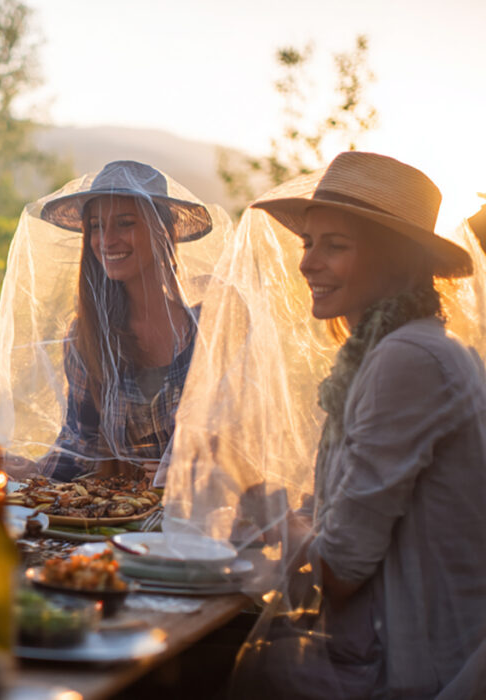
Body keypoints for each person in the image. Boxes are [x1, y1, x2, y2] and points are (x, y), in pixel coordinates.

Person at [186, 152, 486, 698]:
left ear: (395, 259)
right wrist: (282, 508)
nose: (307, 264)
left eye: (335, 245)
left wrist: (257, 498)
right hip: (383, 641)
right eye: (308, 242)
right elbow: (355, 512)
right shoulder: (390, 351)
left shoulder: (409, 360)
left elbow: (340, 575)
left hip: (408, 666)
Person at [0, 161, 230, 486]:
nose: (106, 240)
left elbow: (250, 437)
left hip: (207, 517)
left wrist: (198, 466)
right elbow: (81, 446)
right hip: (129, 518)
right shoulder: (88, 337)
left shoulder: (213, 327)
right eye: (95, 226)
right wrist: (34, 472)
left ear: (165, 230)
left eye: (124, 223)